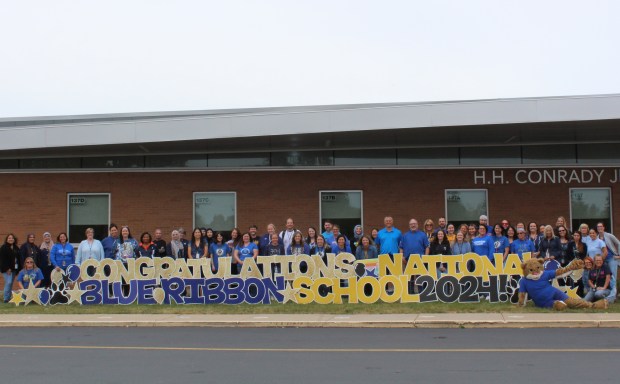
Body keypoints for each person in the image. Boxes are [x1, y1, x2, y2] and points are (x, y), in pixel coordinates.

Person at [0, 234, 20, 303]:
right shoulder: (4, 247)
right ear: (6, 239)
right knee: (8, 282)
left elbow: (18, 258)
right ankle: (6, 298)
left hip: (14, 269)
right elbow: (2, 259)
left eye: (12, 238)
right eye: (9, 238)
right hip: (6, 269)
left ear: (14, 239)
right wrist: (7, 268)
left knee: (11, 283)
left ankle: (8, 298)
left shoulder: (16, 247)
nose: (11, 239)